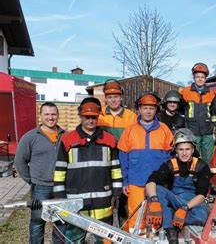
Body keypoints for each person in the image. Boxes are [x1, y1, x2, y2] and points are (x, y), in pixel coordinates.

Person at [53, 98, 122, 242]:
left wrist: (117, 191)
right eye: (87, 117)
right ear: (80, 116)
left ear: (98, 117)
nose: (90, 120)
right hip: (76, 202)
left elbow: (115, 168)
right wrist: (59, 194)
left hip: (102, 202)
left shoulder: (108, 140)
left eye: (93, 117)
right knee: (73, 239)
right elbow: (60, 170)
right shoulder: (68, 140)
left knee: (103, 240)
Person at [117, 92, 174, 233]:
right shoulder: (129, 131)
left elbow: (171, 158)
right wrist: (125, 181)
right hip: (136, 181)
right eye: (145, 108)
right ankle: (137, 239)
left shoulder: (164, 129)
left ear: (156, 110)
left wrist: (169, 181)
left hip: (158, 184)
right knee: (136, 218)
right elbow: (123, 158)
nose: (148, 111)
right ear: (139, 109)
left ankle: (156, 239)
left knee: (157, 216)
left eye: (151, 108)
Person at [145, 128, 211, 244]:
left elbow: (202, 195)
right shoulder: (170, 164)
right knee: (158, 190)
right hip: (175, 199)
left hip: (193, 202)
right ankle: (170, 229)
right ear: (176, 150)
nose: (184, 153)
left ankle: (172, 220)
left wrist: (184, 208)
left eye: (187, 149)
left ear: (193, 149)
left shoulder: (201, 166)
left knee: (201, 217)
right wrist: (154, 200)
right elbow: (151, 181)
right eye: (181, 149)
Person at [15, 102, 65, 244]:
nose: (50, 117)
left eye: (53, 114)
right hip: (40, 188)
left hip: (61, 187)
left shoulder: (65, 136)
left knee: (61, 222)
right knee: (37, 222)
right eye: (47, 114)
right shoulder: (30, 137)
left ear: (58, 115)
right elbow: (20, 161)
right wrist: (31, 180)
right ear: (41, 116)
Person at [97, 79, 137, 228]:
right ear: (105, 98)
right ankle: (105, 235)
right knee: (105, 202)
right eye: (110, 97)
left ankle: (124, 233)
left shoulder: (131, 116)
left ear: (121, 97)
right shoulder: (99, 116)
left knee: (124, 202)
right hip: (104, 165)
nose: (113, 100)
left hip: (123, 164)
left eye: (116, 96)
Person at [180, 63, 216, 164]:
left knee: (207, 159)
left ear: (205, 79)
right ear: (194, 77)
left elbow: (214, 112)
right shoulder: (185, 92)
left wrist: (213, 126)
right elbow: (181, 110)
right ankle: (192, 178)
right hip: (192, 131)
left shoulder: (211, 94)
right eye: (197, 77)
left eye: (202, 77)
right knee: (192, 158)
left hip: (207, 131)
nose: (200, 79)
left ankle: (205, 178)